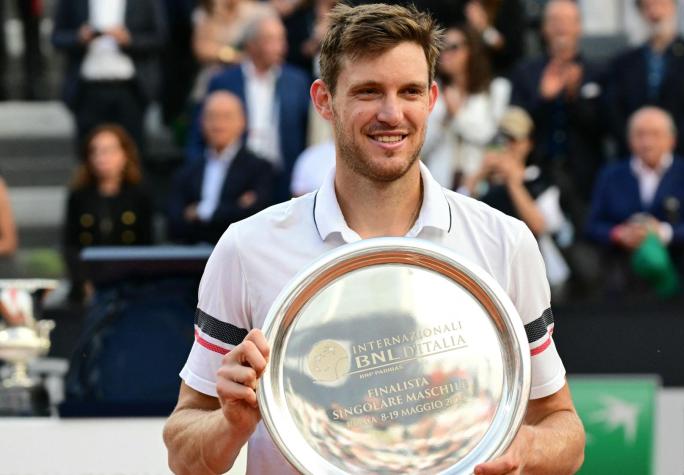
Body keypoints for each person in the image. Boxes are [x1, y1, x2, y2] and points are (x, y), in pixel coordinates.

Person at [163, 4, 585, 474]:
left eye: (409, 91)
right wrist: (231, 424)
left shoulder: (505, 243)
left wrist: (521, 449)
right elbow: (184, 455)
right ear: (324, 100)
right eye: (368, 91)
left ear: (432, 98)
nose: (392, 113)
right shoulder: (247, 247)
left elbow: (563, 429)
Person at [586, 107, 684, 296]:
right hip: (621, 279)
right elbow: (592, 225)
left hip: (678, 277)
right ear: (629, 140)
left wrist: (661, 232)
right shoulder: (611, 174)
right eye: (640, 135)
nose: (647, 142)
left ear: (672, 140)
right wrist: (619, 234)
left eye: (656, 134)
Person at [187, 14, 311, 202]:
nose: (281, 47)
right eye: (271, 40)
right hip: (238, 177)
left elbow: (305, 129)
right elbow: (200, 129)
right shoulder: (224, 80)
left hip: (284, 176)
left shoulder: (297, 81)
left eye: (282, 39)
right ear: (252, 45)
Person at [466, 106, 574, 295]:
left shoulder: (541, 179)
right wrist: (480, 173)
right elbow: (458, 209)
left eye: (513, 140)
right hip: (491, 272)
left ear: (528, 144)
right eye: (502, 139)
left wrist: (514, 183)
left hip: (537, 277)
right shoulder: (486, 182)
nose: (507, 146)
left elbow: (541, 226)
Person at [509, 0, 605, 205]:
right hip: (536, 175)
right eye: (554, 20)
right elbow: (514, 126)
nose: (561, 27)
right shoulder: (525, 72)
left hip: (586, 179)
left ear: (579, 27)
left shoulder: (598, 71)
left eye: (567, 21)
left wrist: (574, 97)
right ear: (544, 28)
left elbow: (605, 127)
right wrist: (543, 98)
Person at [51, 0, 166, 156]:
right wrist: (79, 37)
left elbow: (159, 37)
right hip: (88, 89)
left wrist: (129, 39)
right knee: (89, 153)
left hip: (130, 89)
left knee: (133, 153)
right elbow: (57, 37)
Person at [605, 0, 684, 162]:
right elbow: (614, 111)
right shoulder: (623, 62)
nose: (655, 12)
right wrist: (640, 144)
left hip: (683, 158)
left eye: (661, 4)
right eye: (647, 6)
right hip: (633, 161)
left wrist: (667, 145)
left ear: (674, 7)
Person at [169, 91, 274, 245]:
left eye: (226, 117)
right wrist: (234, 208)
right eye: (212, 117)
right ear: (201, 122)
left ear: (242, 122)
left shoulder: (260, 169)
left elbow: (253, 219)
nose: (218, 124)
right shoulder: (188, 171)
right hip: (192, 258)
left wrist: (200, 212)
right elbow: (175, 222)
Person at [63, 124, 153, 301]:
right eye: (95, 151)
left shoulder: (139, 194)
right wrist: (83, 281)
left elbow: (146, 244)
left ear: (125, 154)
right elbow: (71, 244)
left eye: (108, 151)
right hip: (88, 285)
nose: (101, 157)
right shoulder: (79, 196)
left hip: (131, 285)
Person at [422, 24, 511, 190]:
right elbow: (421, 146)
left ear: (471, 50)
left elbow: (488, 135)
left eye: (454, 47)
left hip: (479, 186)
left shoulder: (495, 90)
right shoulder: (432, 92)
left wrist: (457, 114)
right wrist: (444, 119)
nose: (446, 54)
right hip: (439, 185)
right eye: (443, 47)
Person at [190, 0, 274, 101]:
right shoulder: (208, 12)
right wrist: (233, 56)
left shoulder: (259, 13)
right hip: (212, 80)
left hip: (251, 82)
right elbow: (202, 49)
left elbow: (268, 45)